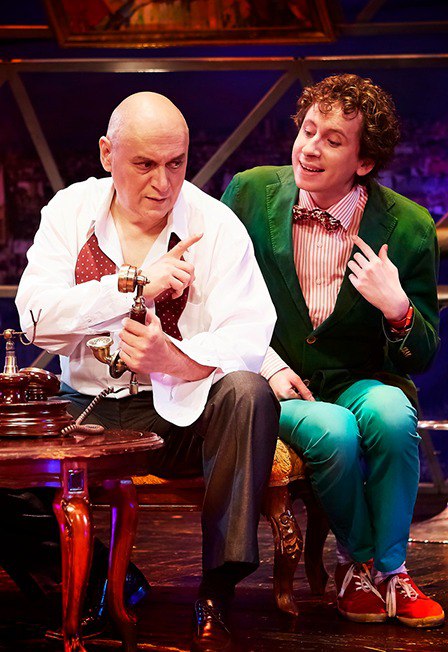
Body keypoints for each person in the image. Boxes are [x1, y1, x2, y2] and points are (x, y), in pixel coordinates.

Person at [14, 92, 280, 651]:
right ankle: (99, 579)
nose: (163, 183)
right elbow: (36, 320)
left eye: (176, 164)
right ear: (107, 154)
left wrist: (174, 360)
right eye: (145, 164)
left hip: (174, 416)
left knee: (248, 392)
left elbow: (249, 333)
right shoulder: (69, 212)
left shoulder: (216, 226)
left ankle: (217, 592)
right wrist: (132, 288)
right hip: (83, 414)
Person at [221, 73, 445, 628]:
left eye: (333, 139)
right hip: (273, 381)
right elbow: (214, 301)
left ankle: (392, 571)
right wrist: (267, 364)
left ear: (363, 162)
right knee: (335, 431)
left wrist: (398, 309)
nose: (310, 148)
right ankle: (361, 565)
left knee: (393, 416)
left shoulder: (410, 226)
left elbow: (421, 355)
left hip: (359, 378)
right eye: (308, 130)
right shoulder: (248, 193)